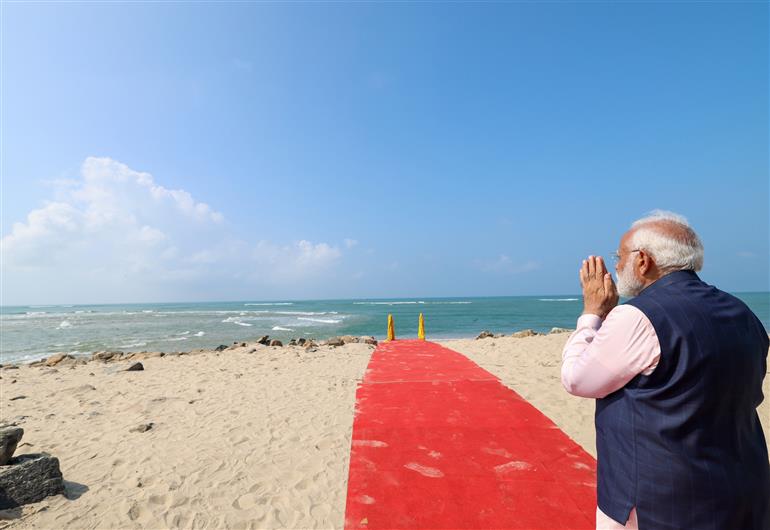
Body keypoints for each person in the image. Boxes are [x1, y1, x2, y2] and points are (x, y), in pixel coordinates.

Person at [561, 210, 770, 530]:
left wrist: (591, 315)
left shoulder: (637, 317)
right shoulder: (742, 313)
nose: (616, 265)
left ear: (643, 260)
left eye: (619, 256)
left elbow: (576, 379)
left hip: (658, 500)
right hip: (742, 488)